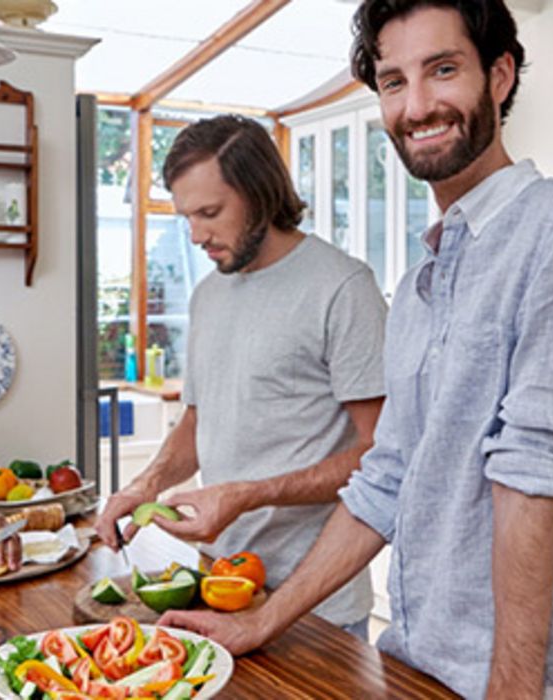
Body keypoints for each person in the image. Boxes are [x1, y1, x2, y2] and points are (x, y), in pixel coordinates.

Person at [160, 2, 553, 698]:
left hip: (518, 683)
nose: (416, 105)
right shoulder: (418, 285)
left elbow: (529, 476)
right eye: (393, 82)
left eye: (443, 70)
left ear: (500, 75)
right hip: (410, 664)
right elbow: (385, 478)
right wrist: (262, 620)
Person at [95, 115, 388, 638]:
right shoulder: (209, 294)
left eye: (209, 212)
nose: (195, 235)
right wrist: (146, 484)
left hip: (316, 601)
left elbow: (382, 453)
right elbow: (198, 420)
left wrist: (246, 494)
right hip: (217, 581)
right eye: (186, 216)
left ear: (259, 194)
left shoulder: (343, 288)